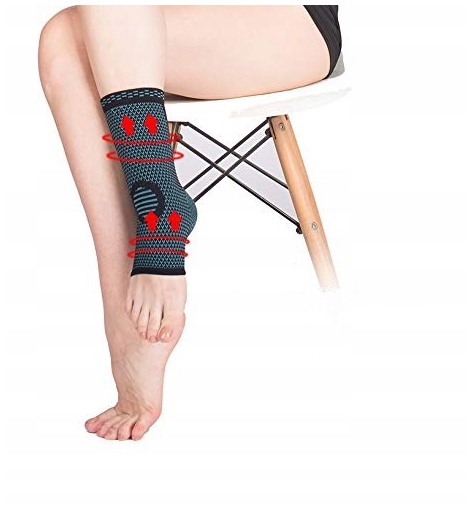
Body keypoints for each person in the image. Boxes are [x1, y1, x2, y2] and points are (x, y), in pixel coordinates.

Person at [38, 5, 342, 441]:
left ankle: (160, 228)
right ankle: (126, 313)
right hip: (168, 22)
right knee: (61, 40)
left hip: (290, 26)